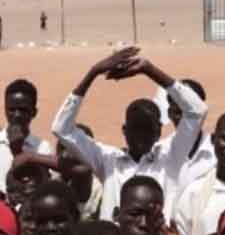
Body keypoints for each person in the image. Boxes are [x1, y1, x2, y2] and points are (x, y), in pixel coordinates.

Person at [50, 48, 209, 218]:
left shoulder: (170, 158)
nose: (141, 135)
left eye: (148, 129)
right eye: (136, 128)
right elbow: (61, 128)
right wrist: (93, 72)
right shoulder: (108, 161)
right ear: (125, 131)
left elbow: (197, 110)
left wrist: (149, 70)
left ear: (158, 132)